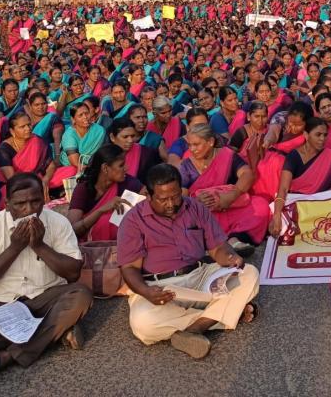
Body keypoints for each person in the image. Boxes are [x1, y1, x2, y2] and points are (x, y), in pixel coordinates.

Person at [0, 172, 91, 386]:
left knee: (81, 295)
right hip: (2, 303)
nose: (29, 209)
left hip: (47, 297)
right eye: (20, 204)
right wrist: (15, 247)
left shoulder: (58, 222)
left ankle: (5, 356)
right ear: (7, 204)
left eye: (35, 201)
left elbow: (73, 273)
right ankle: (56, 331)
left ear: (44, 198)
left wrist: (39, 245)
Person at [117, 164, 260, 358]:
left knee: (249, 273)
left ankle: (195, 329)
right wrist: (146, 292)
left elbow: (217, 248)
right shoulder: (133, 220)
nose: (171, 204)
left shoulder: (195, 207)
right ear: (149, 196)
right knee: (143, 324)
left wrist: (230, 257)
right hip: (160, 287)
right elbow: (130, 269)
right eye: (163, 199)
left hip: (200, 277)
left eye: (175, 196)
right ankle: (226, 313)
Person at [178, 124, 269, 247]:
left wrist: (231, 195)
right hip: (205, 214)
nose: (192, 149)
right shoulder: (186, 166)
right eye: (189, 145)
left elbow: (247, 174)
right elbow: (181, 197)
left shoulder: (227, 155)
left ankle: (235, 239)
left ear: (210, 142)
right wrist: (195, 201)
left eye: (196, 144)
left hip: (230, 207)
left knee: (260, 206)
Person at [268, 118, 331, 236]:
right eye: (318, 135)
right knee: (280, 225)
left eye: (325, 135)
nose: (322, 139)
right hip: (298, 207)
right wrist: (276, 214)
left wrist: (315, 203)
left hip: (321, 206)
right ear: (306, 135)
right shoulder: (294, 156)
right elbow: (283, 189)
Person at [68, 144, 143, 241]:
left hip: (120, 242)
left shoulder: (128, 182)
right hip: (88, 244)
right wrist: (101, 210)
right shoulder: (84, 188)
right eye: (121, 165)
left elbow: (147, 195)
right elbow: (72, 229)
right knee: (105, 220)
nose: (127, 168)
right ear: (105, 168)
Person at [0, 112, 55, 200]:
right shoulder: (4, 149)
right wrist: (35, 184)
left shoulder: (37, 141)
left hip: (39, 178)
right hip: (19, 184)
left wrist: (46, 179)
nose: (28, 129)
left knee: (70, 171)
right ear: (12, 131)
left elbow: (51, 165)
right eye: (22, 127)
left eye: (29, 125)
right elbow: (11, 178)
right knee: (8, 194)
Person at [50, 103, 106, 190]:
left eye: (87, 113)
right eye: (80, 115)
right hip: (69, 167)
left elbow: (101, 153)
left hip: (91, 164)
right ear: (73, 119)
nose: (85, 117)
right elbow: (75, 162)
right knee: (74, 171)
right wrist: (94, 171)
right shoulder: (69, 135)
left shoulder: (99, 130)